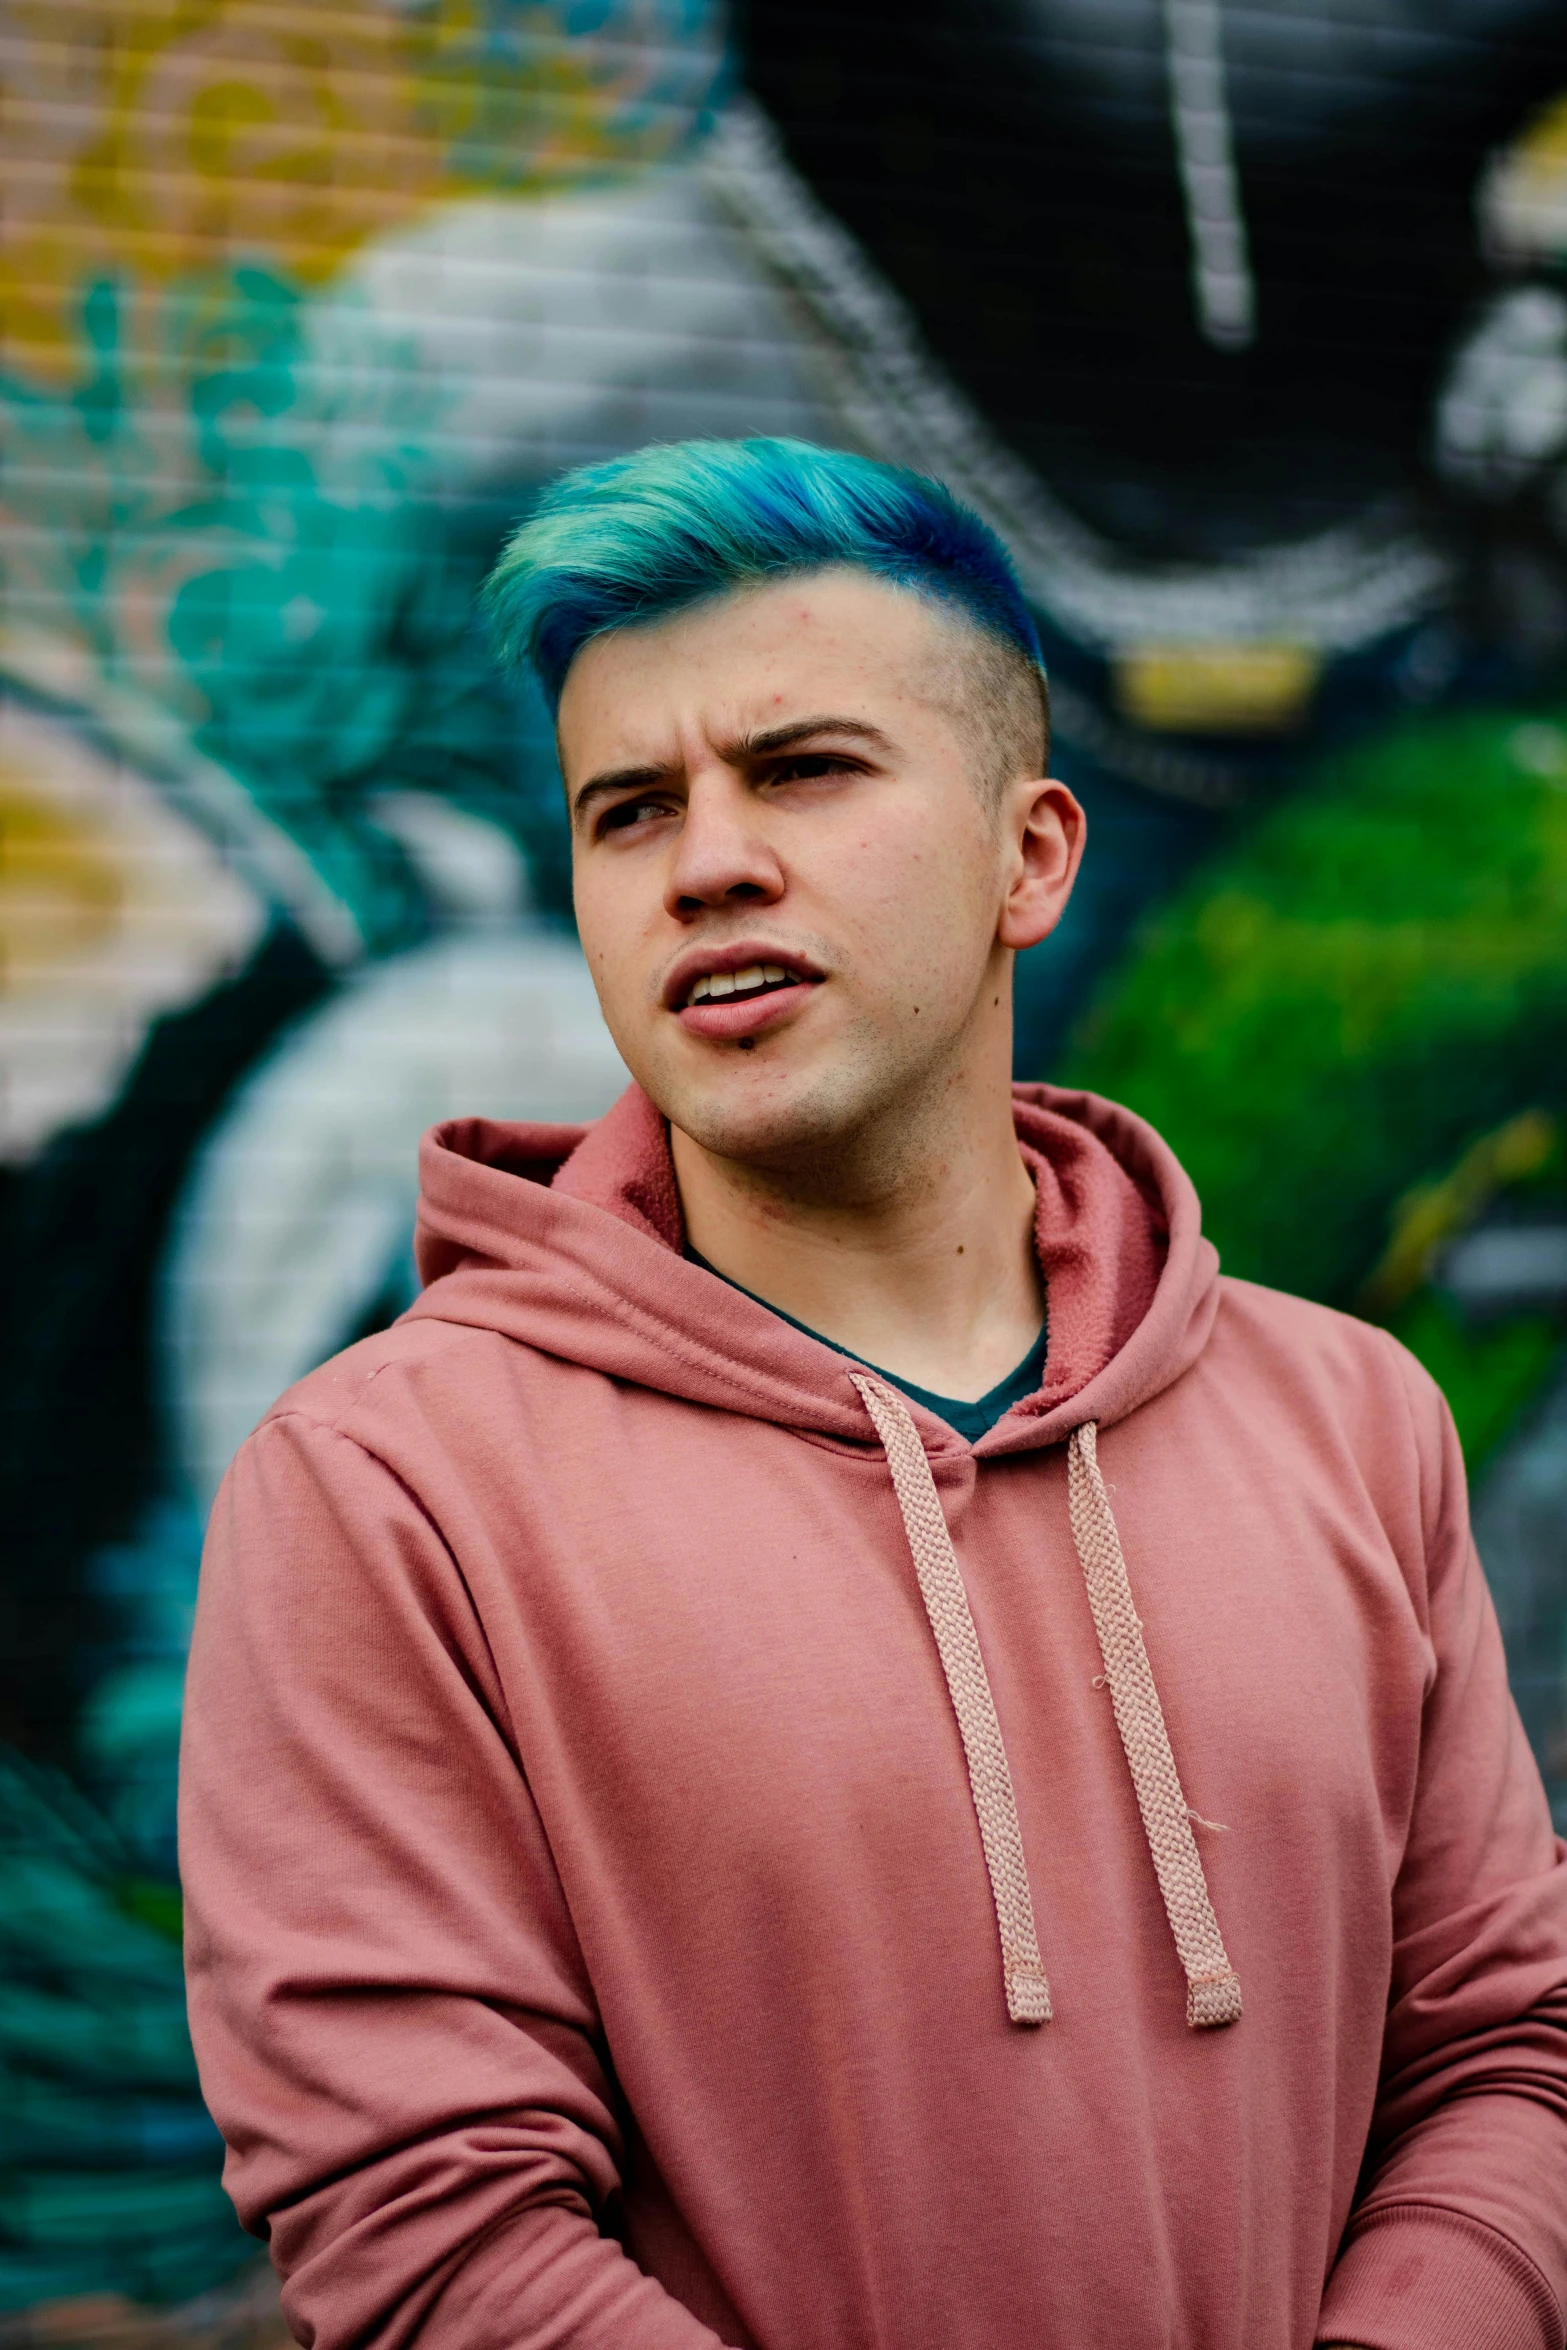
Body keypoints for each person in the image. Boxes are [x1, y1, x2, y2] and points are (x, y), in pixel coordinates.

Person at [180, 438, 1567, 2350]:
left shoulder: (1348, 1418)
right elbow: (429, 2222)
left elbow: (1508, 2046)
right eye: (627, 810)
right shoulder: (388, 1488)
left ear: (1031, 855)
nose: (708, 860)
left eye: (804, 770)